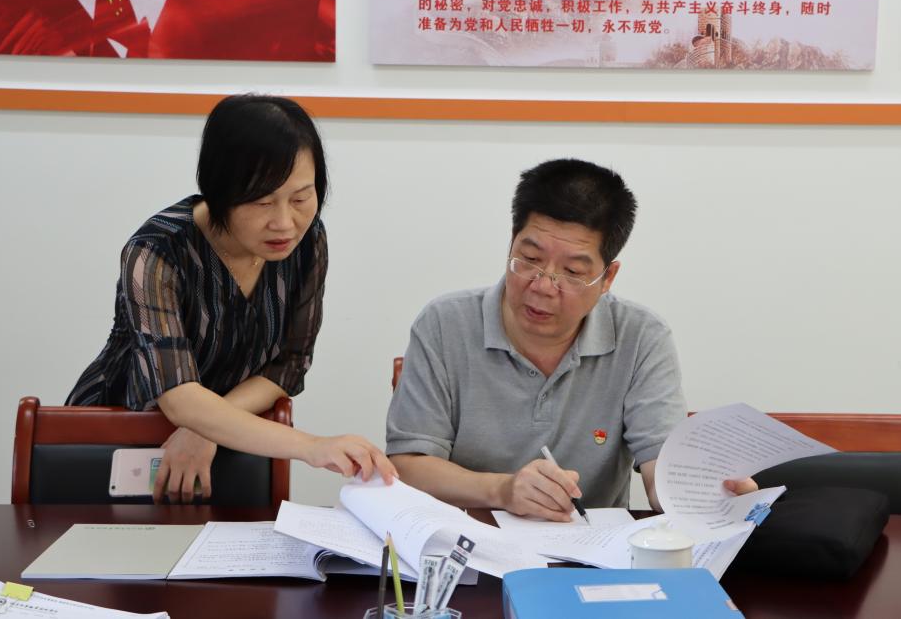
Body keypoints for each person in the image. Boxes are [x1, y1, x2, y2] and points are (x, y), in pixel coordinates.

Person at [68, 94, 395, 502]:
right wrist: (312, 447)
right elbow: (179, 396)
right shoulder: (156, 252)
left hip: (233, 443)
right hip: (122, 435)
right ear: (219, 190)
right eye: (261, 201)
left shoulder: (307, 241)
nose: (284, 222)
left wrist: (206, 430)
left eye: (300, 198)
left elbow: (289, 364)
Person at [386, 158, 754, 521]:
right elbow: (408, 464)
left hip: (591, 547)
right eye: (530, 258)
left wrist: (704, 494)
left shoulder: (641, 336)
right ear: (511, 243)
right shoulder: (445, 323)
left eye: (573, 272)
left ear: (607, 278)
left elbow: (662, 467)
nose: (544, 286)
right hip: (468, 545)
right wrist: (502, 490)